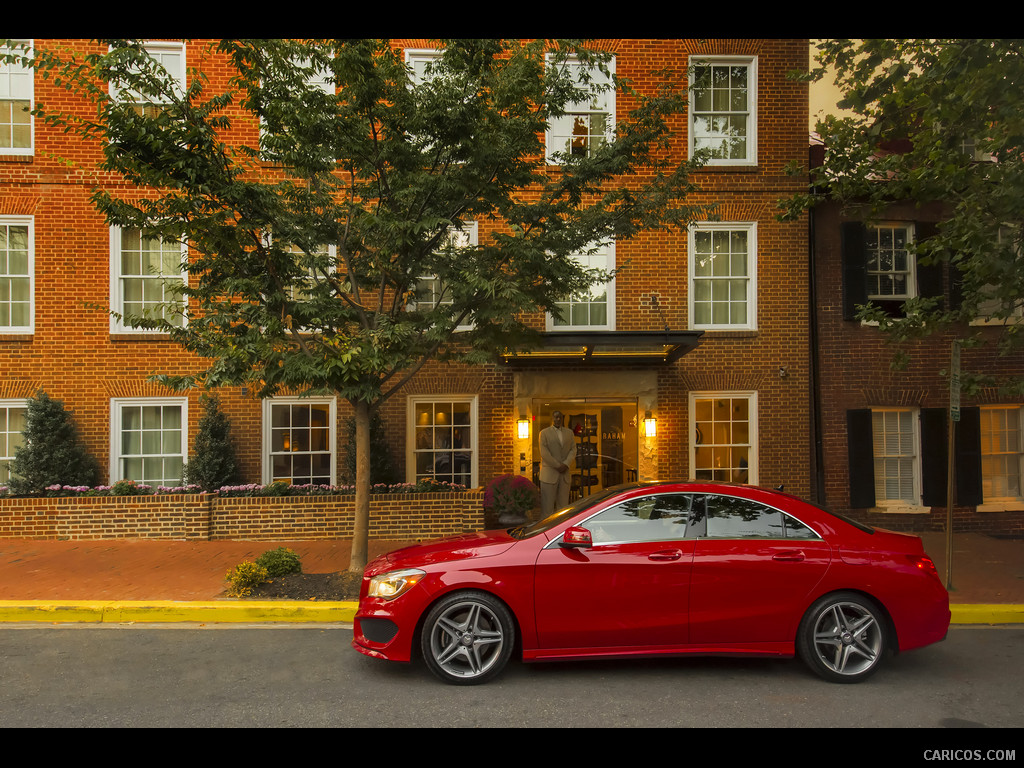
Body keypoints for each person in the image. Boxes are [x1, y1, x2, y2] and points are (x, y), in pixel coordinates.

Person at [539, 410, 576, 516]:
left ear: (563, 418)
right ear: (552, 418)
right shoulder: (544, 433)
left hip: (564, 474)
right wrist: (557, 465)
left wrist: (566, 464)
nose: (558, 419)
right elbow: (544, 452)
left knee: (563, 508)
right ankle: (546, 530)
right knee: (547, 508)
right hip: (549, 475)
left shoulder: (569, 433)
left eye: (560, 417)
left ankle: (561, 530)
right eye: (556, 417)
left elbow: (573, 450)